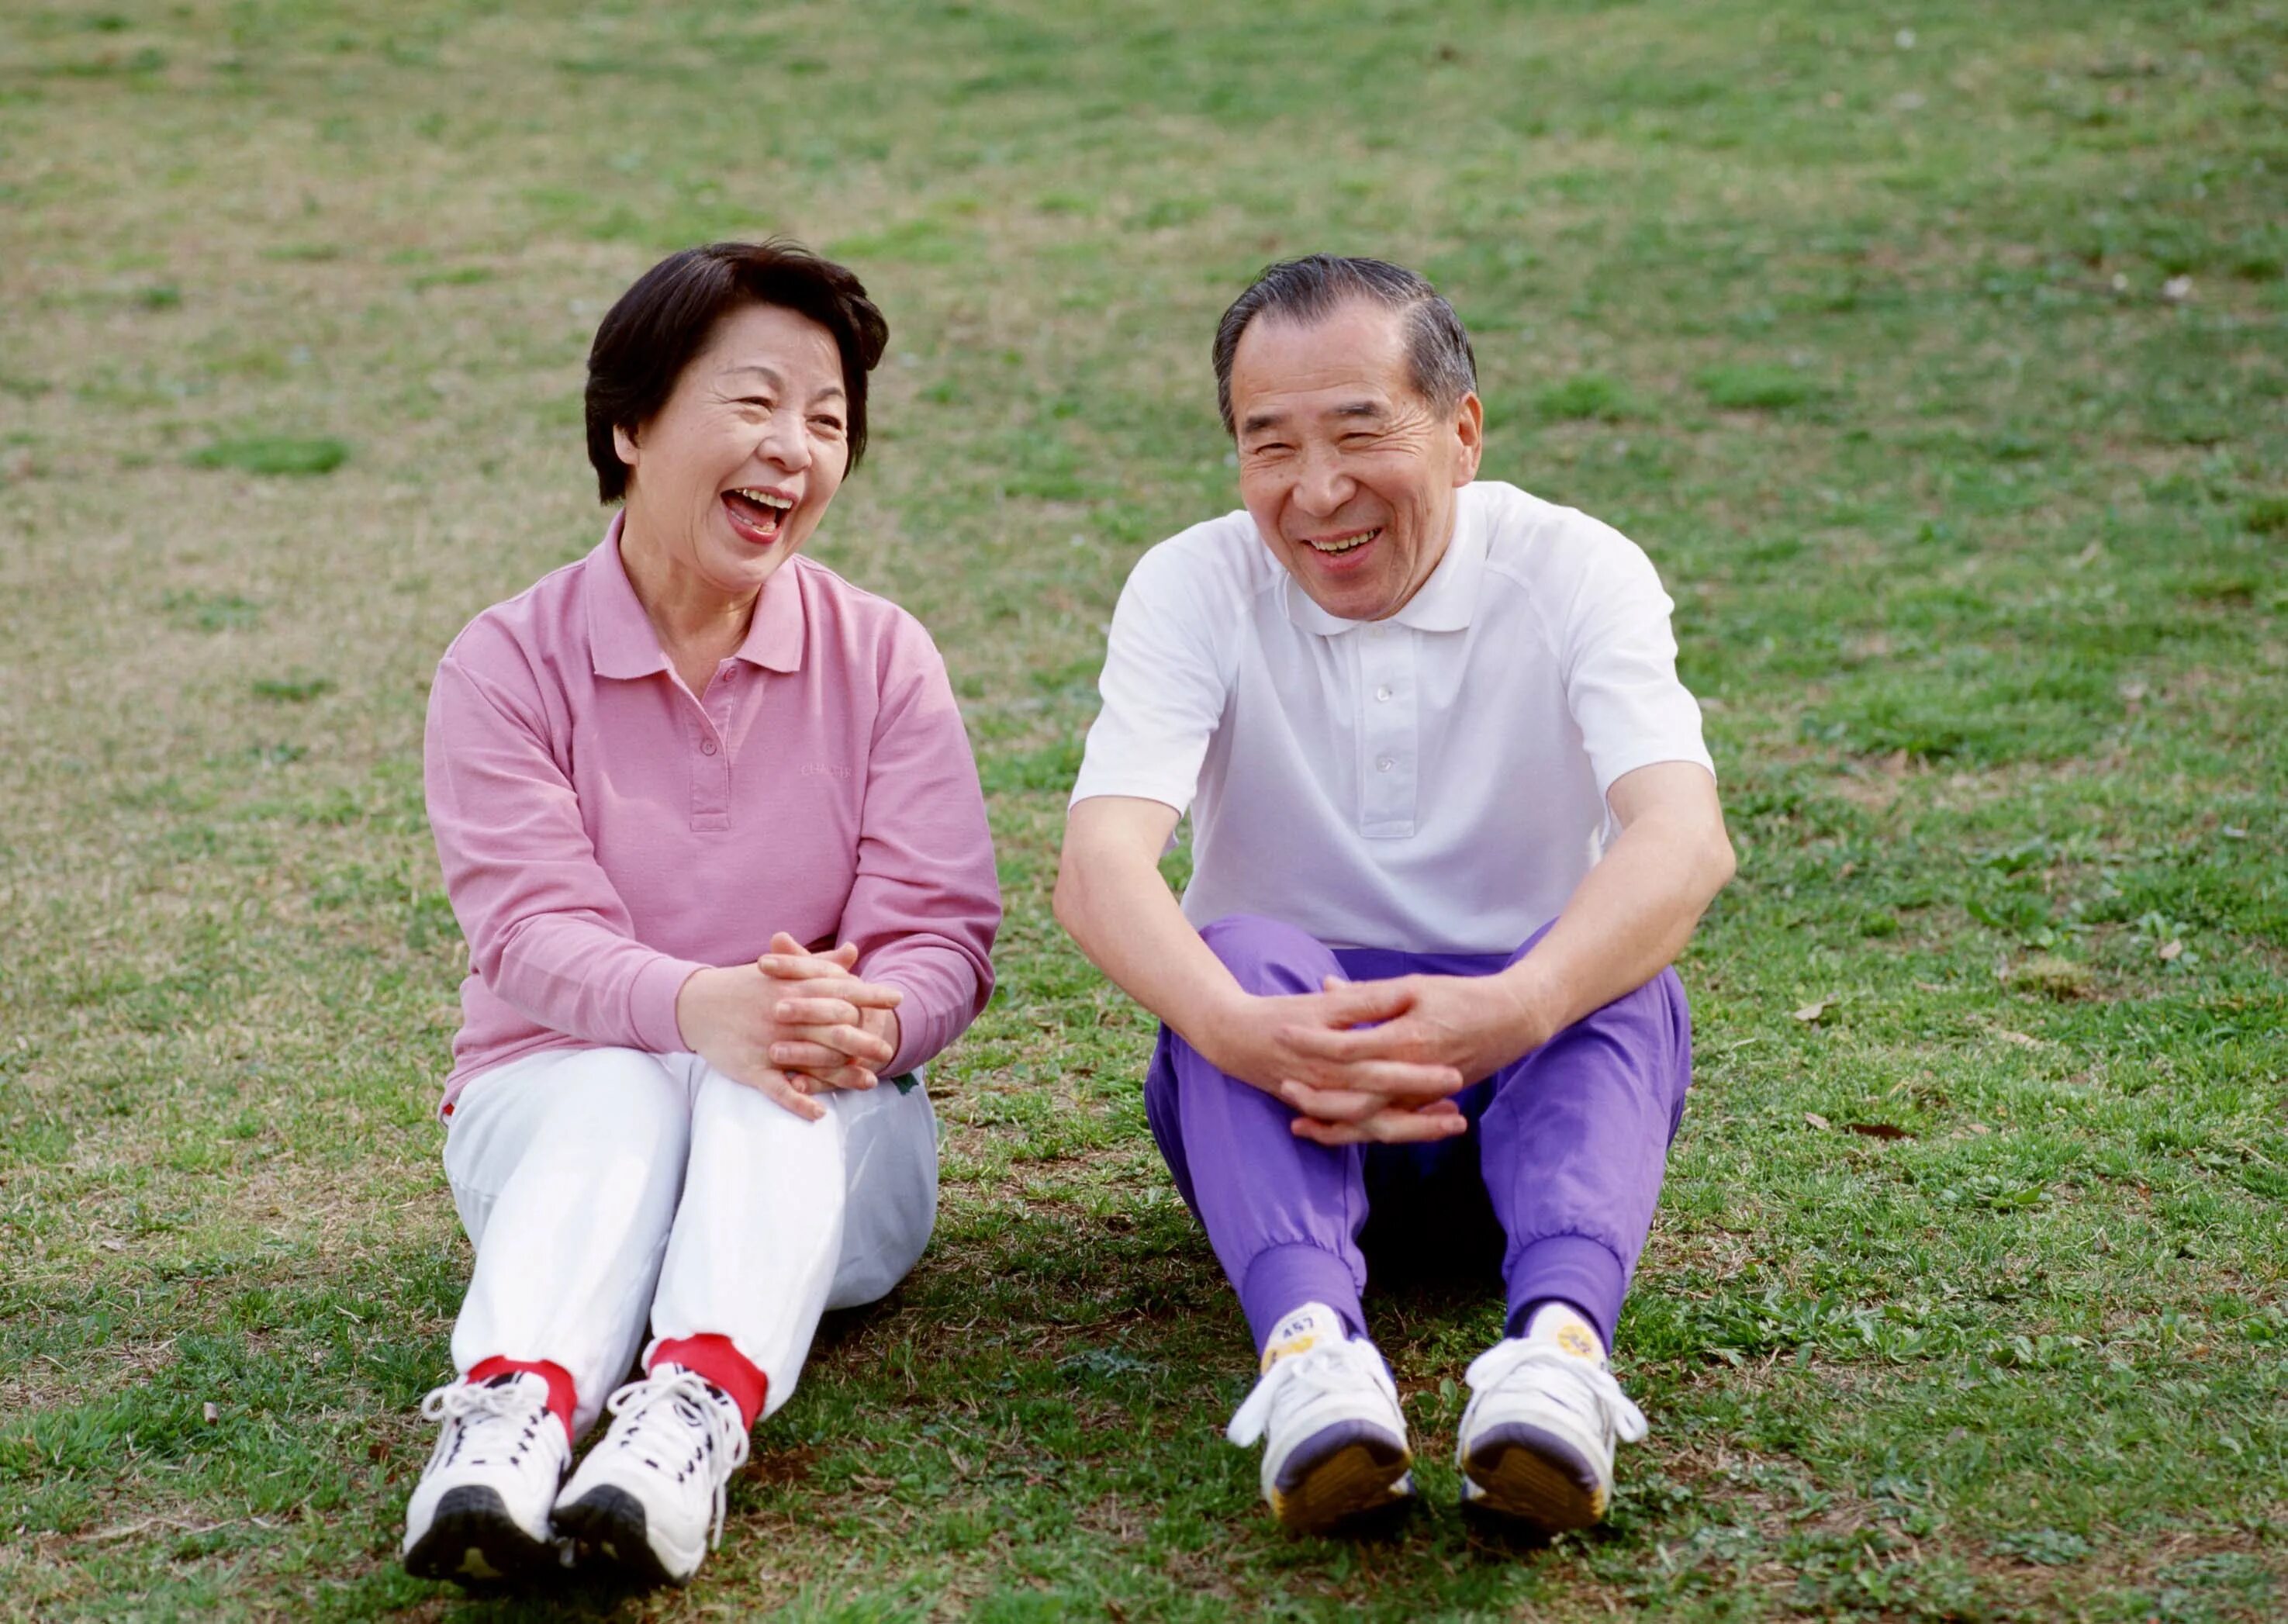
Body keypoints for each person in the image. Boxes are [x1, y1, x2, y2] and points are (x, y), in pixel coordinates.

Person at [1054, 255, 1732, 1536]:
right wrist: (1237, 1029)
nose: (1317, 493)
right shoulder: (1192, 584)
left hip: (1535, 1094)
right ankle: (1310, 1359)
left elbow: (1683, 842)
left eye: (1361, 432)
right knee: (1242, 951)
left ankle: (1560, 1362)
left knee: (1611, 965)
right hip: (1283, 1100)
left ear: (1462, 431)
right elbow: (1097, 869)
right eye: (1270, 446)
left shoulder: (1577, 569)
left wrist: (1517, 1004)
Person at [402, 241, 1000, 1588]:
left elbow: (943, 932)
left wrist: (871, 1009)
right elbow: (529, 936)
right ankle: (505, 1422)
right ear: (630, 422)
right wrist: (697, 1008)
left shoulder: (882, 654)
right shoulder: (504, 662)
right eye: (754, 402)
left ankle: (681, 1426)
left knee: (766, 1081)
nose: (794, 447)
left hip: (830, 1129)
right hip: (556, 1117)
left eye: (828, 419)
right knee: (626, 1081)